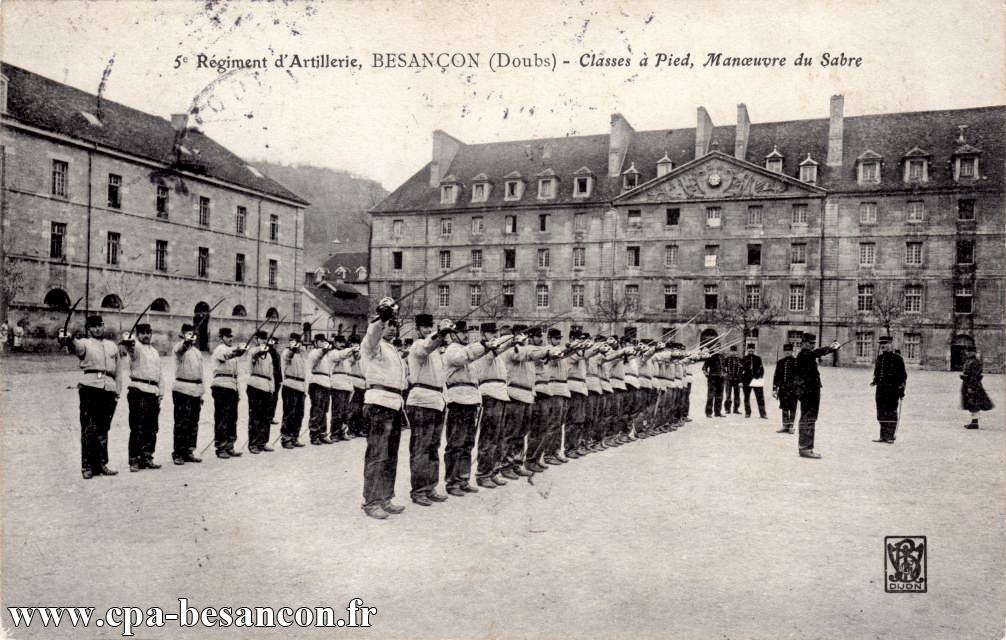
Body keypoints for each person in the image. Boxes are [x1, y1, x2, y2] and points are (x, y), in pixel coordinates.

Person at [358, 297, 408, 519]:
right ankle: (371, 501)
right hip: (378, 403)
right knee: (377, 454)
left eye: (393, 325)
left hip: (394, 405)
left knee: (390, 455)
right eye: (389, 325)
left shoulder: (392, 350)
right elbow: (372, 334)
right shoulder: (373, 345)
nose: (391, 329)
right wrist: (381, 318)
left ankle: (385, 497)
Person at [404, 314, 449, 506]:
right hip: (422, 401)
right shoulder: (418, 346)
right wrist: (439, 334)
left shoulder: (437, 353)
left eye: (430, 327)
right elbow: (426, 346)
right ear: (417, 330)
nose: (428, 330)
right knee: (421, 449)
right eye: (424, 327)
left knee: (432, 448)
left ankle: (430, 486)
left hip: (437, 401)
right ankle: (419, 490)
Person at [73, 314, 120, 479]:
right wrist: (67, 338)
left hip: (108, 389)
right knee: (88, 428)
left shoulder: (112, 346)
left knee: (103, 428)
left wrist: (117, 392)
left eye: (100, 325)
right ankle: (87, 466)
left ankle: (101, 464)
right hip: (90, 388)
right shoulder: (85, 343)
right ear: (89, 329)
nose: (98, 329)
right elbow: (76, 347)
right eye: (94, 326)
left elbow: (119, 371)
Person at [471, 322, 511, 488]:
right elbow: (499, 347)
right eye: (491, 333)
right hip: (489, 394)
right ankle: (483, 473)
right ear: (483, 335)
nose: (494, 335)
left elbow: (503, 345)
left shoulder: (496, 352)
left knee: (499, 437)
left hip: (501, 394)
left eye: (496, 333)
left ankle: (493, 471)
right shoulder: (483, 351)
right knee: (488, 437)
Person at [121, 323, 163, 472]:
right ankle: (134, 460)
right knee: (138, 426)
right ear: (138, 335)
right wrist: (129, 341)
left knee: (152, 428)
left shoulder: (155, 352)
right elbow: (130, 347)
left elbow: (160, 374)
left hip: (153, 391)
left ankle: (147, 457)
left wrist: (160, 393)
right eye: (143, 333)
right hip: (138, 389)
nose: (146, 335)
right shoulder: (136, 348)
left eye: (148, 332)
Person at [793, 332, 842, 459]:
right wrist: (831, 348)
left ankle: (805, 447)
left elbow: (814, 354)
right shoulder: (804, 354)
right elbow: (815, 353)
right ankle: (805, 448)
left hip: (810, 392)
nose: (812, 346)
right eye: (810, 344)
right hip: (808, 392)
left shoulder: (807, 354)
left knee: (809, 418)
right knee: (808, 419)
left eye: (813, 344)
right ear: (803, 343)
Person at [210, 327, 246, 459]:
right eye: (227, 336)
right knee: (222, 418)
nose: (230, 339)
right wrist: (237, 351)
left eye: (231, 336)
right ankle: (221, 447)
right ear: (221, 338)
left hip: (232, 387)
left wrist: (238, 392)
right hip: (221, 386)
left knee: (232, 419)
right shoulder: (219, 349)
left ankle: (230, 446)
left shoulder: (232, 353)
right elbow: (226, 355)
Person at [171, 323, 204, 465]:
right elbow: (180, 349)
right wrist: (186, 342)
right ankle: (178, 452)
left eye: (193, 334)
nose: (192, 337)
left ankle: (189, 450)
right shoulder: (179, 348)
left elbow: (201, 373)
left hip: (196, 390)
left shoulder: (197, 352)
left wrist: (202, 392)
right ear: (183, 335)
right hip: (182, 389)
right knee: (181, 423)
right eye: (189, 334)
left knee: (193, 423)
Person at [870, 335, 907, 443]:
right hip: (881, 390)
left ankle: (890, 436)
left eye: (885, 344)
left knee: (890, 412)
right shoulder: (880, 358)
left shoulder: (897, 358)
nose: (883, 346)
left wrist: (901, 390)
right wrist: (875, 381)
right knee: (881, 412)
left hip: (892, 390)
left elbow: (903, 376)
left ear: (890, 345)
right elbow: (877, 372)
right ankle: (882, 436)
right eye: (881, 344)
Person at [246, 331, 276, 453]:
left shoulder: (268, 355)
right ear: (256, 340)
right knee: (255, 416)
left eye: (265, 339)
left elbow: (271, 373)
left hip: (267, 387)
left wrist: (272, 389)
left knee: (266, 417)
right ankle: (253, 443)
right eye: (261, 339)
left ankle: (263, 441)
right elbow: (252, 355)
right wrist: (260, 350)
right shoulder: (253, 351)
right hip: (255, 386)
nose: (264, 341)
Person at [279, 333, 308, 449]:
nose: (296, 343)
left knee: (299, 414)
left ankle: (294, 437)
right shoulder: (287, 352)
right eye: (293, 341)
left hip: (301, 386)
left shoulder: (301, 355)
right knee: (289, 413)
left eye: (298, 341)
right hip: (290, 384)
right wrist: (293, 349)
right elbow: (288, 356)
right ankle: (286, 438)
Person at [960, 345, 994, 429]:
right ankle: (974, 422)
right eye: (967, 352)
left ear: (974, 353)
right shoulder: (969, 361)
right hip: (967, 383)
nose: (967, 353)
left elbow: (975, 376)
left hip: (973, 385)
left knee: (973, 403)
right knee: (971, 403)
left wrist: (971, 387)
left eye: (969, 352)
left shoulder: (975, 362)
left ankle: (974, 423)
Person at [772, 343, 799, 434]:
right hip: (783, 389)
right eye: (786, 351)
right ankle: (785, 426)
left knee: (792, 407)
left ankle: (791, 426)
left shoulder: (796, 362)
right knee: (784, 407)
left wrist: (797, 387)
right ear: (784, 352)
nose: (787, 352)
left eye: (789, 351)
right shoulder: (780, 362)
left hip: (793, 389)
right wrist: (774, 388)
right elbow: (776, 376)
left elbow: (799, 376)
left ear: (792, 351)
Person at [741, 343, 767, 419]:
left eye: (752, 349)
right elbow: (741, 370)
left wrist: (760, 377)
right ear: (747, 350)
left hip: (756, 380)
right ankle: (747, 413)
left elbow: (761, 369)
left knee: (760, 397)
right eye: (749, 349)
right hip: (746, 380)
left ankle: (763, 414)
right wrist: (741, 380)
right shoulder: (744, 358)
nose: (751, 350)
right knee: (746, 397)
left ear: (754, 350)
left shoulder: (758, 358)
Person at [702, 344, 724, 418]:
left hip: (721, 379)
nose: (717, 350)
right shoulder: (710, 357)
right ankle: (708, 413)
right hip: (713, 379)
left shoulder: (722, 357)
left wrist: (725, 374)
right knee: (711, 396)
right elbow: (704, 368)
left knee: (719, 396)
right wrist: (707, 375)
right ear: (713, 349)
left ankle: (717, 412)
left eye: (719, 348)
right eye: (716, 348)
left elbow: (725, 367)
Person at [722, 345, 743, 414]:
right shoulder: (726, 359)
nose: (733, 353)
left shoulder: (739, 360)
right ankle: (727, 409)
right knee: (728, 395)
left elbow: (741, 371)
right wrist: (725, 374)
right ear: (730, 352)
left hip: (737, 380)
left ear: (736, 352)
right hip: (728, 380)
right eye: (731, 351)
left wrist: (740, 381)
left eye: (734, 351)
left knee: (737, 395)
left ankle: (736, 409)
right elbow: (722, 368)